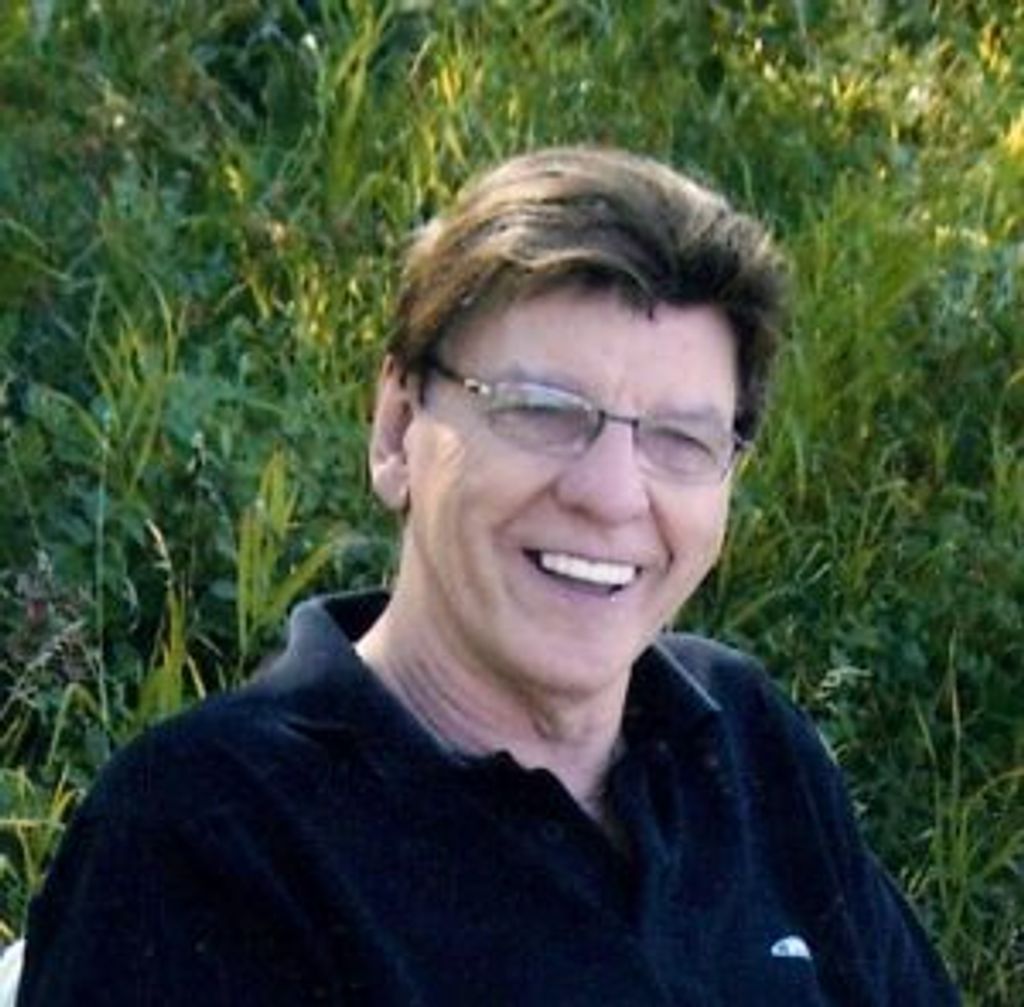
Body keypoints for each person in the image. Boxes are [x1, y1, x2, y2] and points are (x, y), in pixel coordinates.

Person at [16, 147, 959, 1005]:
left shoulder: (744, 742)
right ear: (398, 430)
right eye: (543, 410)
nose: (611, 495)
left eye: (681, 438)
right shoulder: (209, 836)